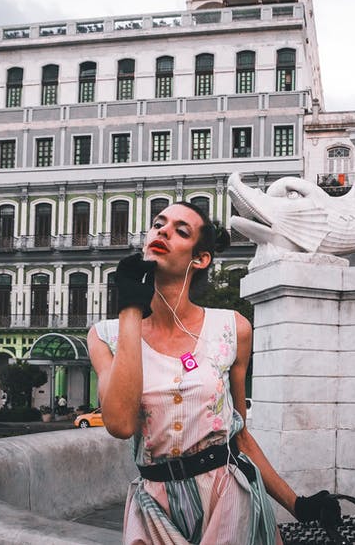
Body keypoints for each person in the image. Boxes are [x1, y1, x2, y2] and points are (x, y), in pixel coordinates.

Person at [89, 202, 340, 543]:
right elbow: (120, 424)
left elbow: (240, 437)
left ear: (200, 258)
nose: (162, 230)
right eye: (158, 224)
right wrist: (130, 307)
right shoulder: (106, 336)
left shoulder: (232, 328)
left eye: (181, 230)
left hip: (227, 497)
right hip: (154, 508)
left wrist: (298, 505)